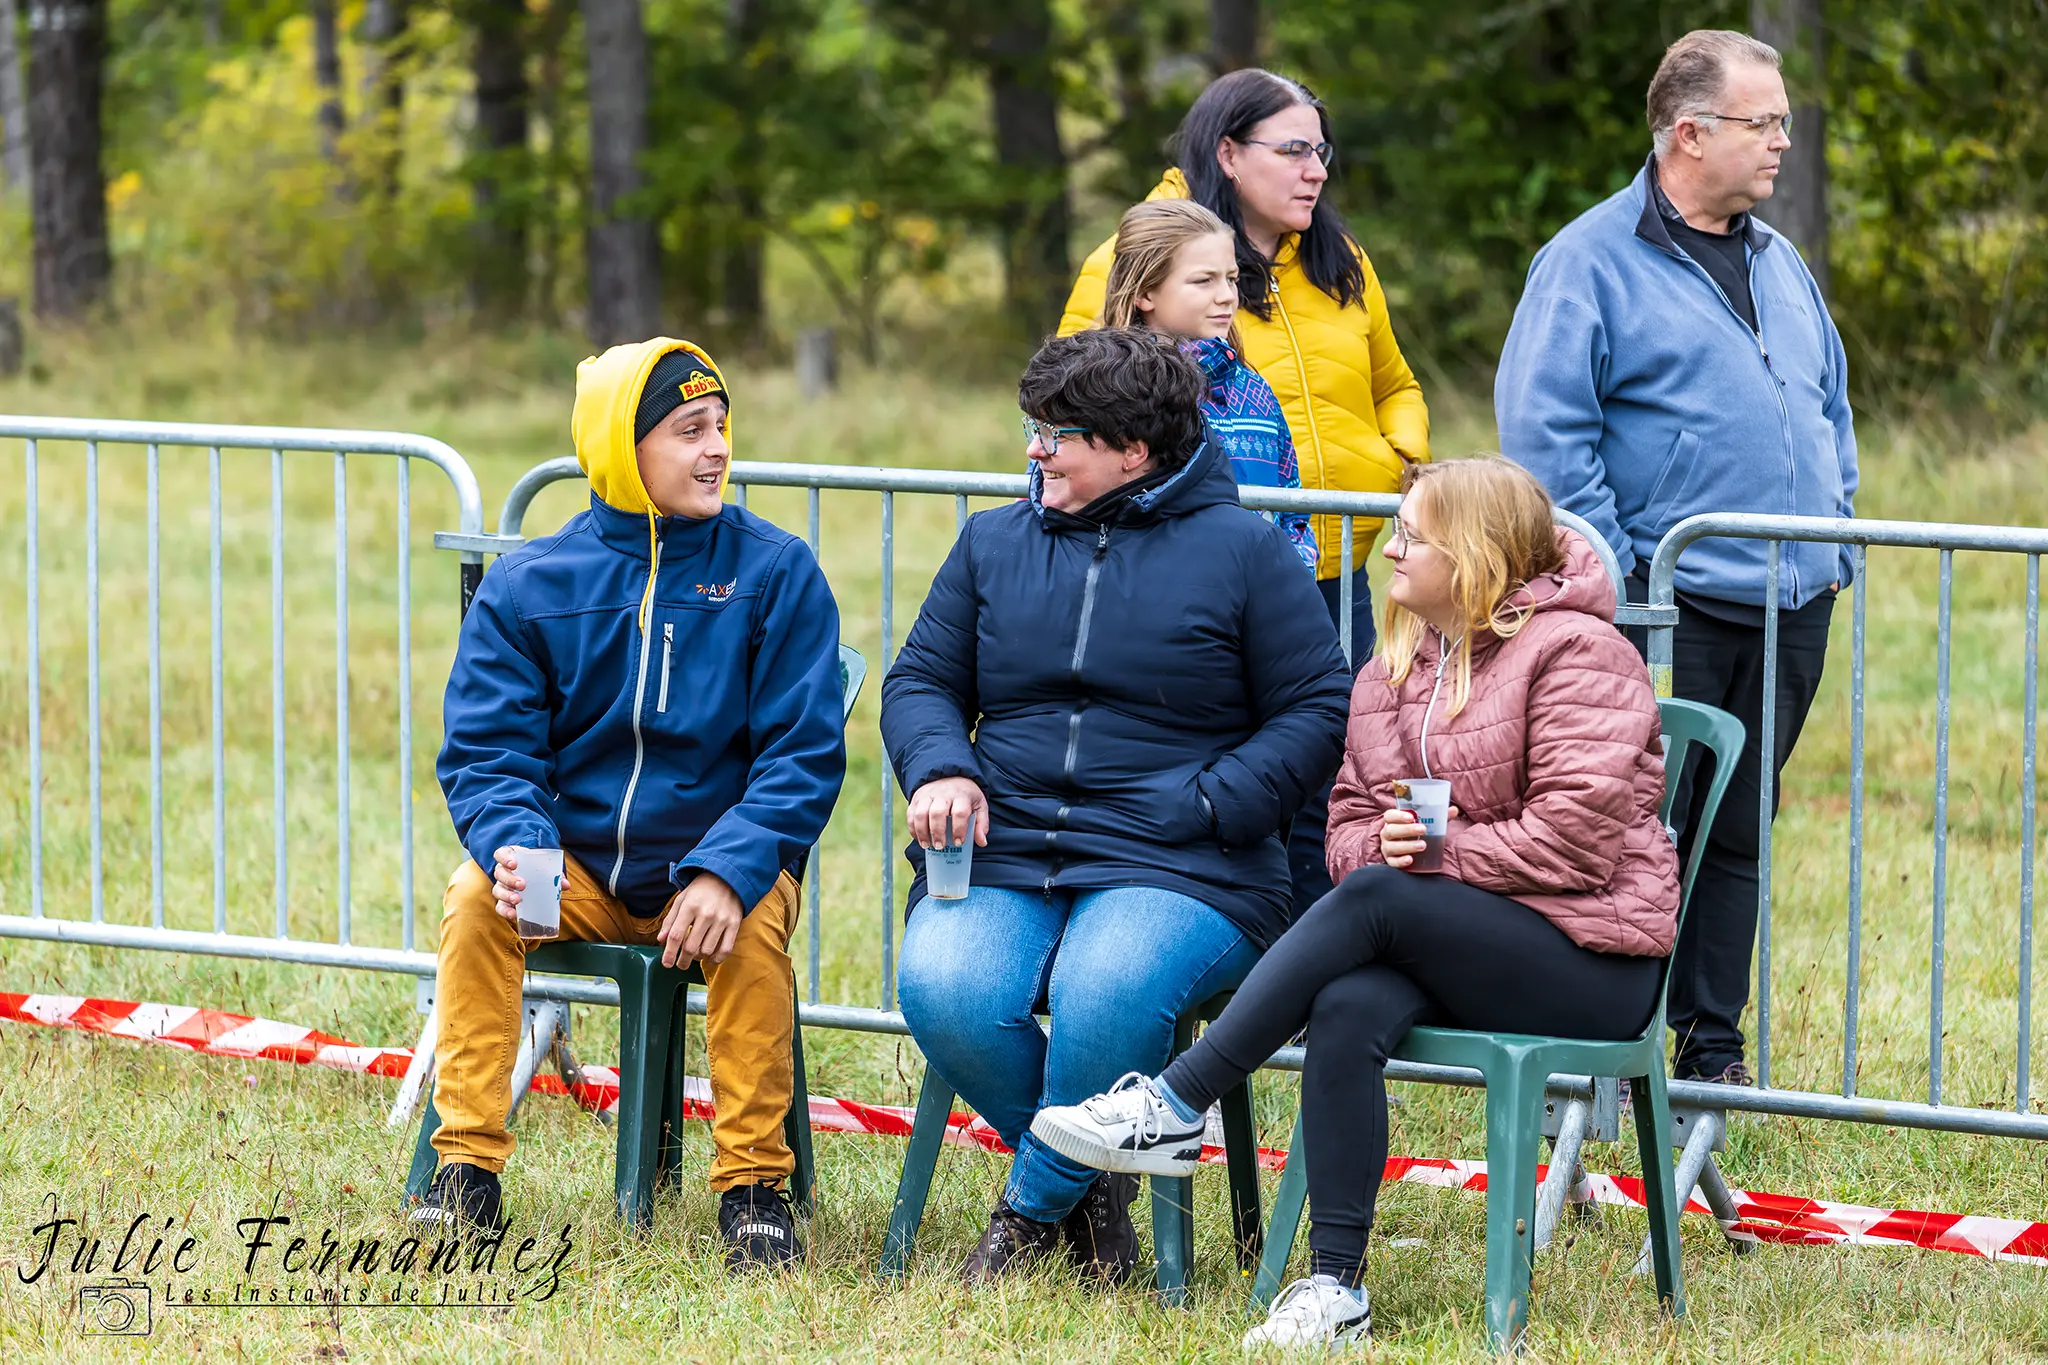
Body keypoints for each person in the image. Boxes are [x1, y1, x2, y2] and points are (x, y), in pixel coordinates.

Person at [1032, 458, 1679, 1351]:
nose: (1391, 548)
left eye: (1414, 534)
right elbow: (1344, 827)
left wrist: (1429, 859)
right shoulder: (1394, 664)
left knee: (1381, 896)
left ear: (1476, 552)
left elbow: (1576, 839)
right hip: (1453, 943)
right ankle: (1337, 1285)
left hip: (1591, 960)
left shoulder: (1580, 652)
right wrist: (1388, 848)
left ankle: (1179, 1101)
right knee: (1347, 997)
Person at [881, 327, 1351, 1286]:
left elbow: (1318, 708)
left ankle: (1026, 1213)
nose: (1033, 453)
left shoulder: (1247, 554)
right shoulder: (992, 542)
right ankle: (1094, 1190)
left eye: (1057, 436)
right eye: (1034, 430)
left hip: (1186, 861)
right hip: (1008, 848)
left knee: (1108, 990)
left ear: (1132, 453)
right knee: (945, 982)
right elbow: (922, 677)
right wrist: (938, 768)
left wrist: (1216, 801)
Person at [424, 339, 847, 1273]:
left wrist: (730, 869)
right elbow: (486, 748)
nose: (717, 449)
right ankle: (465, 1173)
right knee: (471, 899)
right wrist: (519, 849)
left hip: (715, 872)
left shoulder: (777, 572)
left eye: (723, 426)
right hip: (577, 869)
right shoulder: (532, 583)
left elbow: (803, 754)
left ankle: (752, 1187)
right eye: (690, 429)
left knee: (753, 917)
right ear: (623, 446)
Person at [1494, 29, 1856, 1088]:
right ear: (1689, 134)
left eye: (1782, 121)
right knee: (1633, 838)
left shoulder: (1775, 256)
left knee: (1738, 828)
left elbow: (1827, 406)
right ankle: (1598, 1058)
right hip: (1671, 608)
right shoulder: (1586, 261)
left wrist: (1833, 535)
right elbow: (1547, 441)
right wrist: (1635, 577)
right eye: (1763, 123)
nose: (1782, 142)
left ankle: (1711, 1049)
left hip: (1791, 600)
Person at [1062, 67, 1432, 917]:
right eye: (1294, 150)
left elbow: (1399, 384)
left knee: (1342, 774)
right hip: (1197, 588)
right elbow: (1074, 400)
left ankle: (1314, 978)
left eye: (1322, 151)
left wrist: (1396, 460)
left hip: (1338, 572)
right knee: (1245, 773)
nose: (1317, 170)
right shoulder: (1145, 250)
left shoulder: (1344, 261)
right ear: (1228, 153)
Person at [1098, 198, 1315, 570]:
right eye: (1204, 281)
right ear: (1145, 293)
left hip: (1258, 613)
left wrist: (1287, 584)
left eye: (1231, 278)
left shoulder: (1254, 390)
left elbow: (1291, 511)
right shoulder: (1105, 390)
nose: (1227, 296)